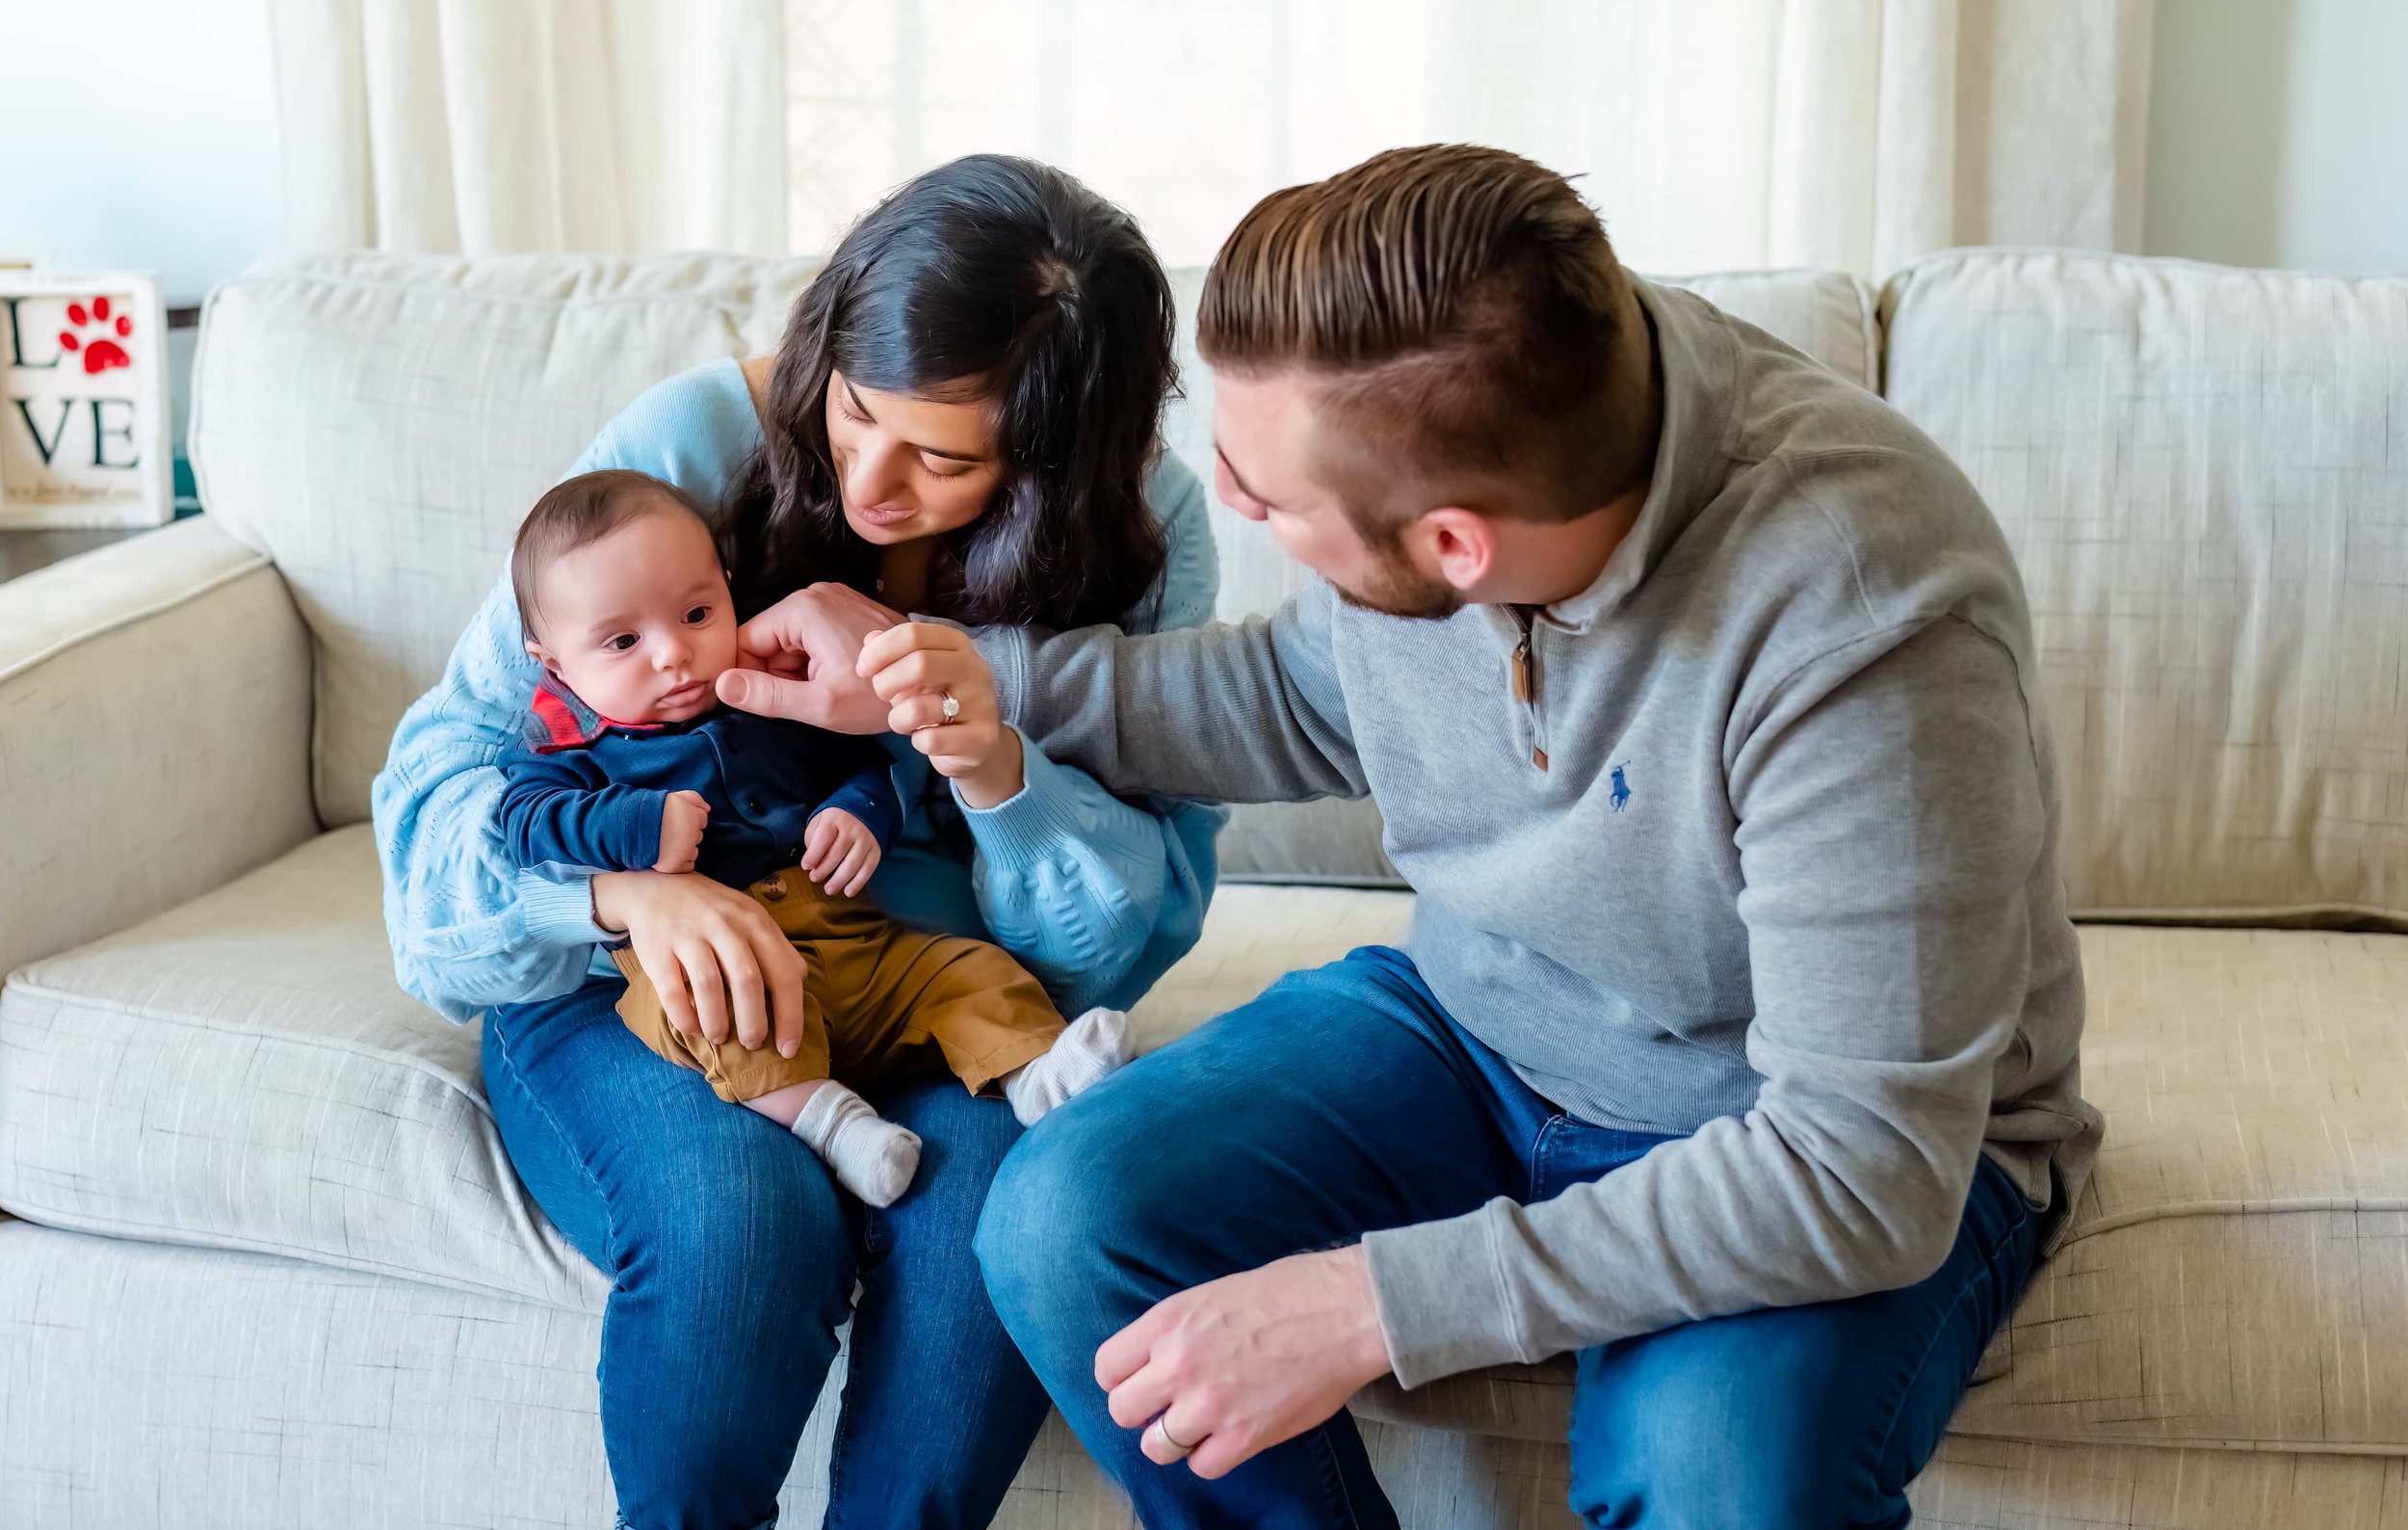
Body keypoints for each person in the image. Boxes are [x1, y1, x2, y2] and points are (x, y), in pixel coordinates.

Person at [851, 144, 2102, 1526]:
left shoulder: (1866, 623)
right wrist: (955, 671)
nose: (1232, 500)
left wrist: (1378, 1303)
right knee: (1063, 1217)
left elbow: (1862, 1166)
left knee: (1717, 1476)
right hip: (1478, 1028)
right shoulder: (1477, 429)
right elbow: (1295, 697)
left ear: (1456, 547)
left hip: (1785, 1130)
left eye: (1264, 499)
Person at [372, 155, 1221, 1530]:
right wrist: (626, 893)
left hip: (921, 979)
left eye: (941, 458)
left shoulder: (1144, 532)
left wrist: (981, 751)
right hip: (634, 996)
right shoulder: (697, 442)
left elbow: (1130, 931)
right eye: (854, 411)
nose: (869, 481)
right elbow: (438, 814)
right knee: (741, 1223)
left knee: (1003, 1218)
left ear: (1054, 461)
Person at [493, 468, 1137, 1207]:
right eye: (624, 640)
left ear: (727, 586)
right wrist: (635, 827)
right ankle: (835, 1126)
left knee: (963, 969)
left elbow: (873, 764)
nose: (674, 654)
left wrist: (861, 812)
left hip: (853, 935)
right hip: (720, 960)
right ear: (553, 663)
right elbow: (523, 825)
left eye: (699, 613)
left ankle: (1036, 1070)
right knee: (715, 1022)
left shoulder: (767, 691)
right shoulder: (571, 747)